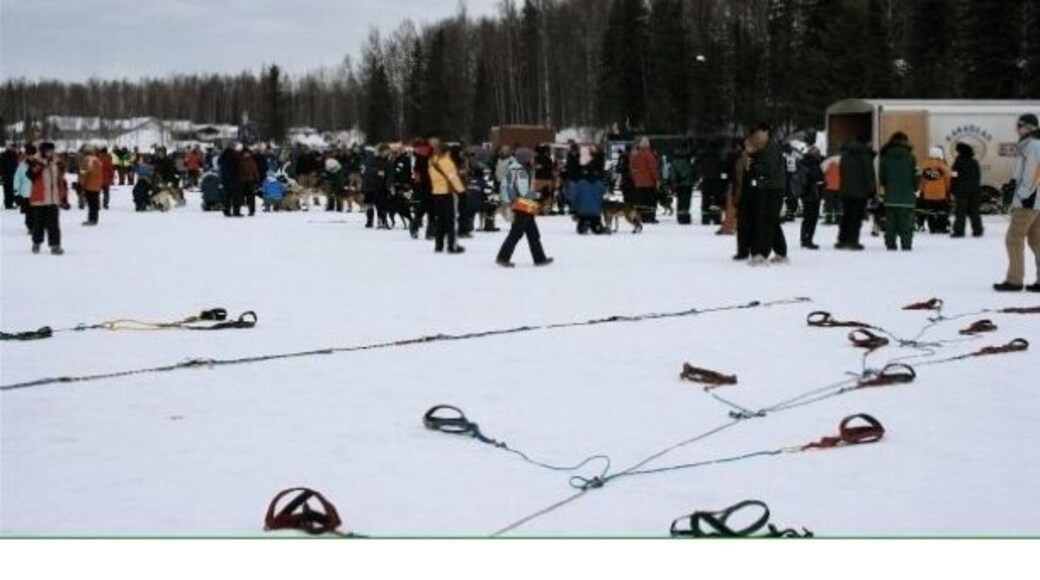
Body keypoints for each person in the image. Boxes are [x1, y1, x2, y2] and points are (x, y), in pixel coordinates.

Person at [994, 113, 1040, 292]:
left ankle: (1014, 281)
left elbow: (1033, 175)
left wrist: (1021, 195)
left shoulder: (1033, 146)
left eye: (1020, 125)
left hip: (1028, 202)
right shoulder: (1033, 145)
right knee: (1037, 240)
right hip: (1035, 201)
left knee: (1013, 239)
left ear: (1029, 128)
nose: (1017, 129)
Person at [496, 148, 552, 267]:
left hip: (526, 206)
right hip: (522, 206)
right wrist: (540, 194)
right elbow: (523, 192)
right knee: (516, 233)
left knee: (533, 234)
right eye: (531, 157)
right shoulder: (522, 171)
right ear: (525, 159)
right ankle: (503, 257)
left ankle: (539, 258)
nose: (533, 159)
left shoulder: (519, 169)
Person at [746, 123, 788, 265]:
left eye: (758, 135)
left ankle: (761, 254)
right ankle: (781, 252)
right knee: (772, 221)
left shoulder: (772, 148)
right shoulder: (765, 148)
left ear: (766, 133)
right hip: (769, 187)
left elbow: (767, 168)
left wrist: (753, 165)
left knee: (766, 221)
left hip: (772, 188)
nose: (756, 138)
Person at [878, 132, 917, 251]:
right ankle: (906, 245)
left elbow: (882, 177)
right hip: (907, 197)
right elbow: (915, 177)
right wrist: (913, 188)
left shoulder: (885, 157)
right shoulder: (911, 158)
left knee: (890, 224)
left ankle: (890, 245)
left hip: (890, 196)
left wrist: (888, 187)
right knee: (906, 224)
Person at [27, 142, 69, 255]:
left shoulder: (56, 162)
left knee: (54, 224)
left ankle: (55, 246)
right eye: (48, 150)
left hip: (53, 199)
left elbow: (60, 180)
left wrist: (63, 197)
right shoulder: (35, 161)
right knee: (38, 224)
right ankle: (36, 243)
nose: (51, 152)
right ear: (42, 151)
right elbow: (30, 175)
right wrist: (41, 164)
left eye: (52, 150)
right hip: (40, 199)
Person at [836, 135, 876, 251]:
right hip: (860, 192)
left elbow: (842, 172)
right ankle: (853, 240)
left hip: (845, 190)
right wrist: (872, 191)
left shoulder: (845, 155)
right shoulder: (865, 156)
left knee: (846, 215)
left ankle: (842, 239)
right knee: (856, 217)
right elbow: (869, 175)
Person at [428, 138, 466, 254]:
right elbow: (453, 177)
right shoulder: (447, 161)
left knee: (440, 220)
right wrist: (461, 191)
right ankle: (452, 245)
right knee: (451, 220)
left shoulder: (431, 161)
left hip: (436, 192)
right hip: (447, 193)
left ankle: (438, 245)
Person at [570, 148, 607, 234]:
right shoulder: (599, 184)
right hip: (596, 212)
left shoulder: (580, 183)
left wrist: (574, 209)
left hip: (582, 211)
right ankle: (597, 226)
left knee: (580, 230)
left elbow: (575, 198)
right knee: (596, 227)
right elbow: (603, 194)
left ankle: (583, 224)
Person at [951, 142, 983, 238]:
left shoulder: (958, 162)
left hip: (961, 190)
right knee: (974, 211)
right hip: (975, 189)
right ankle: (977, 230)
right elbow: (978, 177)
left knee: (960, 211)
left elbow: (954, 176)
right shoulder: (974, 162)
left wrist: (953, 189)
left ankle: (959, 231)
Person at [918, 146, 951, 233]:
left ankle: (932, 227)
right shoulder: (942, 165)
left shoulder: (925, 165)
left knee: (930, 211)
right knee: (941, 211)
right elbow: (947, 179)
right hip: (940, 193)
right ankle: (941, 227)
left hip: (928, 193)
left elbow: (923, 180)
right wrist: (948, 189)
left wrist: (922, 190)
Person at [798, 146, 825, 249]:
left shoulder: (803, 163)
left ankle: (804, 238)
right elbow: (818, 179)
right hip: (813, 194)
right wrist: (823, 184)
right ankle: (807, 240)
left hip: (805, 194)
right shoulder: (814, 165)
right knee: (812, 218)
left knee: (806, 218)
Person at [630, 138, 660, 223]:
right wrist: (657, 179)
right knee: (650, 200)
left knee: (641, 201)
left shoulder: (634, 155)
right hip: (649, 182)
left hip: (638, 182)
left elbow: (632, 168)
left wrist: (635, 178)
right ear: (648, 145)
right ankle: (650, 217)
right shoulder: (649, 155)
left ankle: (642, 217)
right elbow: (653, 168)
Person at [363, 145, 392, 229]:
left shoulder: (388, 161)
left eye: (387, 152)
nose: (386, 153)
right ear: (380, 151)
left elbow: (390, 174)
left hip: (381, 186)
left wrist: (388, 185)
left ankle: (381, 220)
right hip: (370, 185)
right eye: (384, 151)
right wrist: (377, 172)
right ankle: (369, 220)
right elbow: (367, 169)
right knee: (369, 203)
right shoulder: (371, 158)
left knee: (381, 204)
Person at [13, 144, 37, 233]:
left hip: (38, 192)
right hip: (26, 193)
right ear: (26, 155)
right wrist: (16, 191)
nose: (31, 156)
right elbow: (17, 178)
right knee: (29, 212)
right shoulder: (22, 165)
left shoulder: (39, 164)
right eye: (29, 154)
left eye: (33, 154)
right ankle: (30, 227)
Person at [78, 144, 103, 226]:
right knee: (94, 203)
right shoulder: (97, 160)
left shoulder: (86, 160)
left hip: (89, 185)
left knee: (91, 203)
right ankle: (94, 219)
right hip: (97, 185)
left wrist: (81, 184)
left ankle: (91, 219)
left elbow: (83, 173)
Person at [671, 145, 696, 225]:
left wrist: (674, 183)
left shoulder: (674, 162)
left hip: (679, 184)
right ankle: (686, 217)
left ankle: (680, 217)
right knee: (686, 201)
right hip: (687, 183)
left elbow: (672, 174)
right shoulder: (688, 161)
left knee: (680, 201)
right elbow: (692, 171)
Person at [218, 143, 244, 217]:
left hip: (226, 179)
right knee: (236, 196)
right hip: (235, 178)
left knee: (227, 196)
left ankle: (227, 211)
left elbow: (221, 169)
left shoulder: (222, 157)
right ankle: (236, 211)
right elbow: (238, 168)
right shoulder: (235, 157)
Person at [821, 151, 842, 225]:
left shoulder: (827, 162)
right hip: (840, 186)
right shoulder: (843, 162)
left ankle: (829, 219)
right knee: (838, 203)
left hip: (829, 186)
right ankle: (838, 218)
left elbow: (822, 170)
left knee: (829, 203)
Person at [1, 144, 18, 209]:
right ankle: (8, 204)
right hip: (6, 175)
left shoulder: (14, 154)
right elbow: (2, 166)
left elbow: (15, 164)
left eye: (15, 148)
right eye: (13, 148)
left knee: (11, 190)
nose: (14, 149)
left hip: (12, 175)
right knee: (7, 190)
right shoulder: (4, 155)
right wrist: (2, 176)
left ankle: (9, 203)